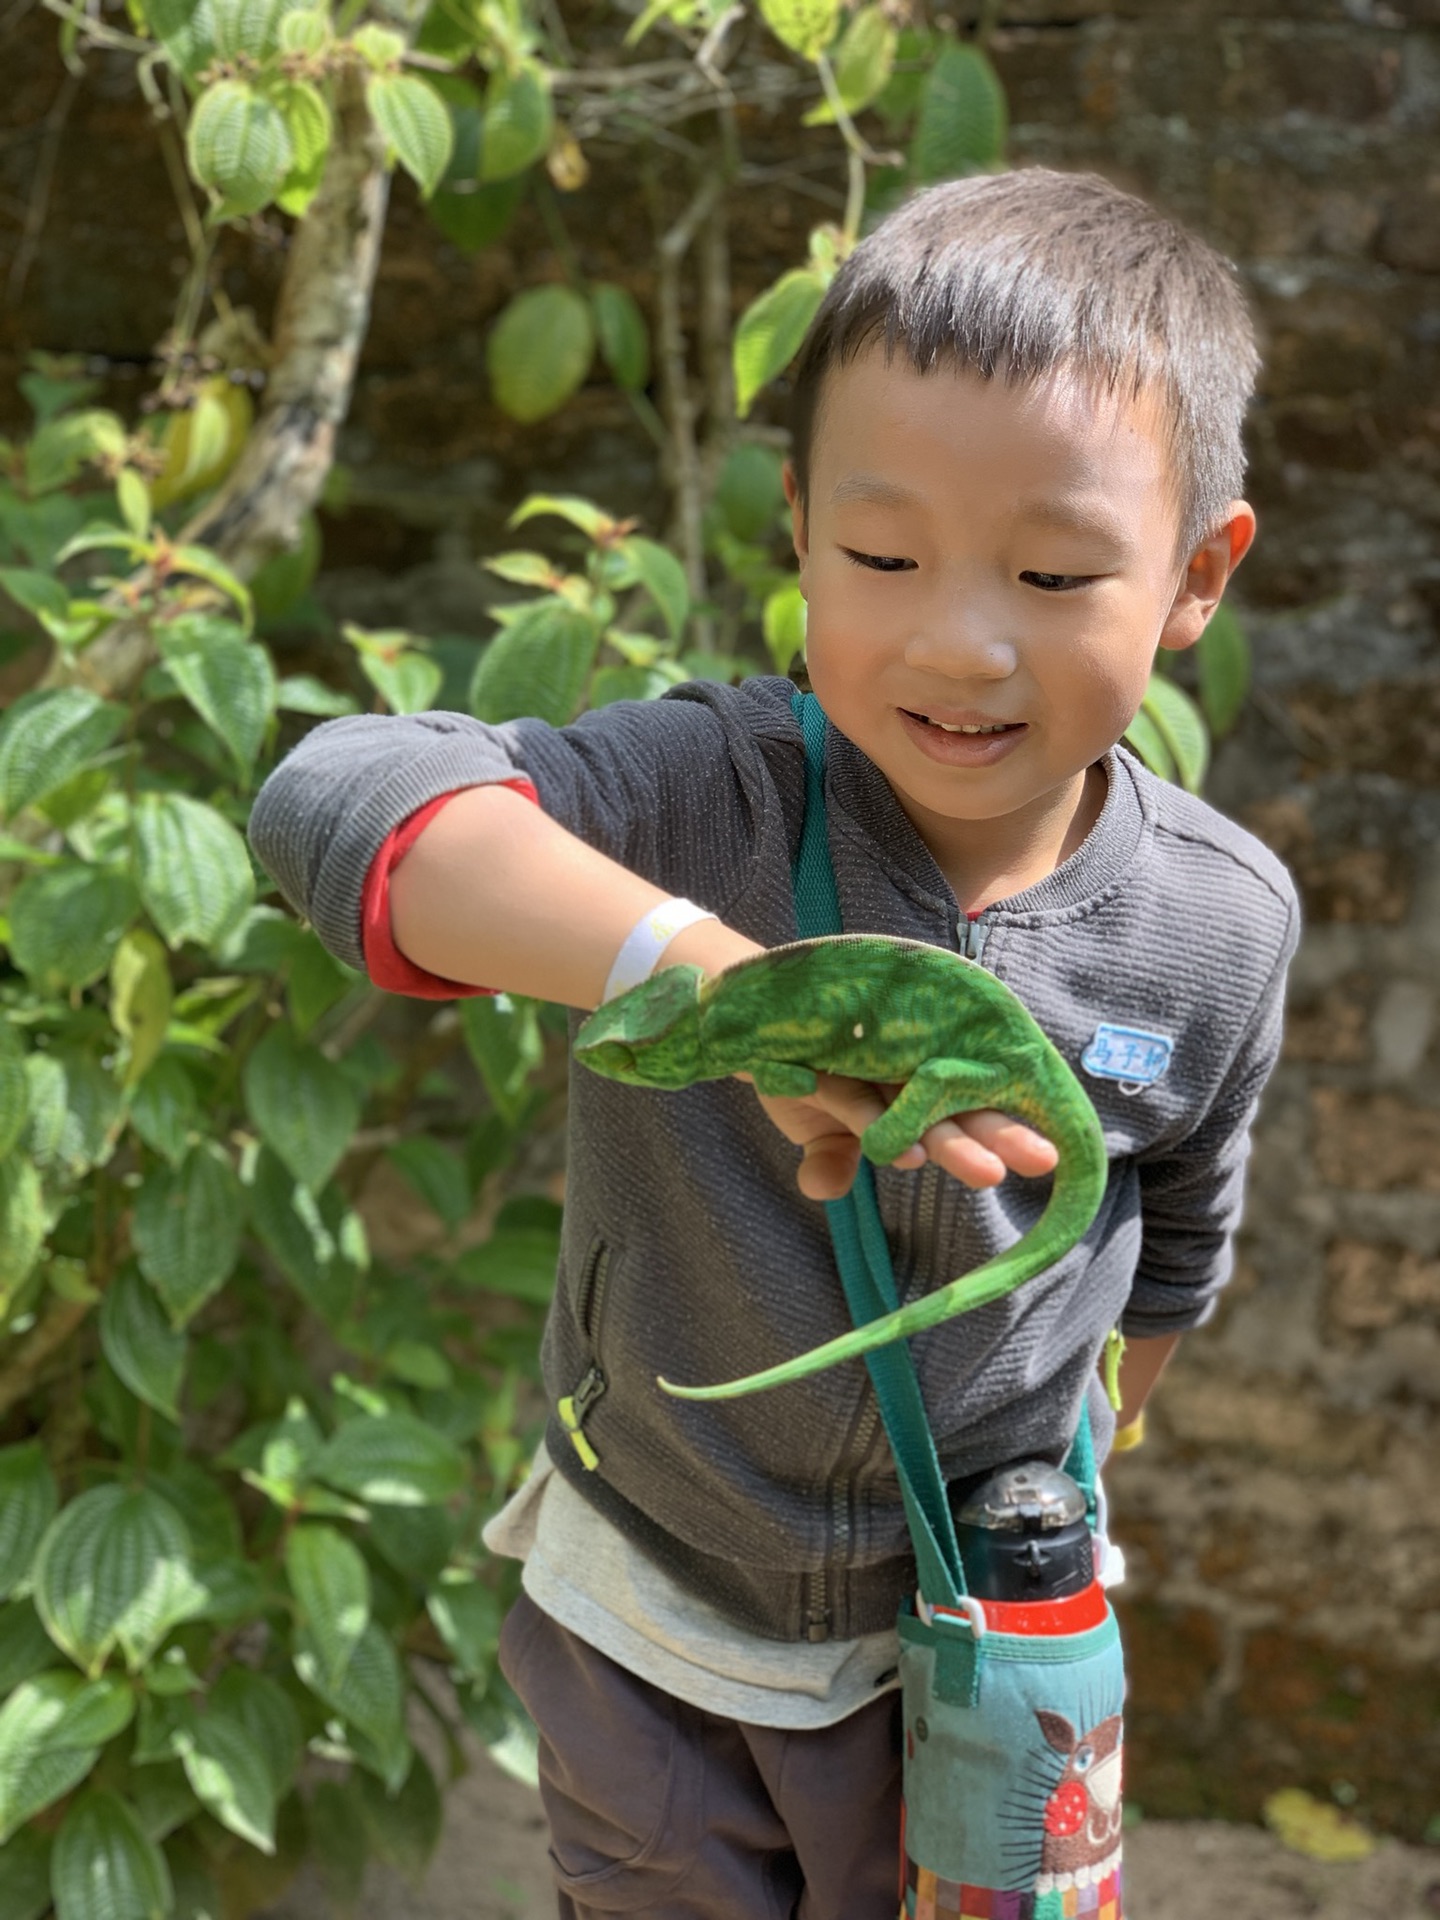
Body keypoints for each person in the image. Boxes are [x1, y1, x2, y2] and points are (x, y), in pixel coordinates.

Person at [248, 167, 1299, 1920]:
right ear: (797, 526)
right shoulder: (702, 795)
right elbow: (332, 798)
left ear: (1196, 575)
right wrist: (705, 972)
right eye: (882, 558)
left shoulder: (1221, 917)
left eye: (1052, 570)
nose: (960, 639)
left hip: (979, 1622)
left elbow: (1177, 1233)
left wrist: (1066, 1492)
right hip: (654, 1617)